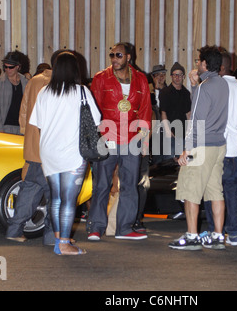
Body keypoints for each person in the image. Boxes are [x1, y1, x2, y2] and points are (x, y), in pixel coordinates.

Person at [29, 51, 101, 255]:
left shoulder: (44, 92)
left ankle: (60, 238)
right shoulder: (81, 92)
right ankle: (63, 245)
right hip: (72, 153)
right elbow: (95, 121)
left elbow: (38, 124)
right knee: (69, 200)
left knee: (56, 198)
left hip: (49, 152)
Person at [87, 42, 152, 241]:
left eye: (118, 55)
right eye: (112, 55)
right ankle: (96, 227)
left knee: (130, 185)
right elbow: (93, 109)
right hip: (107, 137)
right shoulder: (100, 78)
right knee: (102, 184)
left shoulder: (140, 79)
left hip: (132, 138)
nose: (114, 59)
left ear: (129, 57)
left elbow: (145, 110)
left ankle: (124, 227)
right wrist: (96, 136)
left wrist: (144, 138)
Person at [169, 45, 229, 251]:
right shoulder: (222, 84)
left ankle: (192, 236)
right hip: (219, 145)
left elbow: (196, 120)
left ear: (204, 64)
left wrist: (186, 150)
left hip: (201, 147)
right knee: (216, 192)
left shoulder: (206, 87)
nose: (197, 64)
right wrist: (196, 86)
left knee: (190, 192)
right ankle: (218, 236)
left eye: (198, 61)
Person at [5, 51, 64, 244]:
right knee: (57, 196)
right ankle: (51, 237)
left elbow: (23, 112)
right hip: (52, 151)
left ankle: (14, 230)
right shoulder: (61, 84)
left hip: (33, 150)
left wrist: (28, 135)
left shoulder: (34, 81)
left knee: (29, 191)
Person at [203, 52, 237, 246]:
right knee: (231, 190)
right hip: (233, 149)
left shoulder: (213, 87)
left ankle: (214, 231)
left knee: (212, 191)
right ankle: (234, 234)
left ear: (220, 68)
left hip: (214, 147)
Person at [0, 51, 28, 134]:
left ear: (18, 67)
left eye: (11, 67)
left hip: (22, 128)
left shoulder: (26, 83)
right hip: (5, 127)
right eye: (5, 67)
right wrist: (0, 129)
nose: (7, 70)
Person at [159, 62, 191, 159]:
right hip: (170, 134)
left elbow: (188, 114)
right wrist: (168, 131)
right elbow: (163, 112)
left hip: (183, 134)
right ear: (171, 76)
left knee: (184, 162)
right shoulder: (165, 92)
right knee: (169, 163)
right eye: (175, 75)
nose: (177, 77)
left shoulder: (186, 93)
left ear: (184, 76)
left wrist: (189, 132)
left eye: (180, 75)